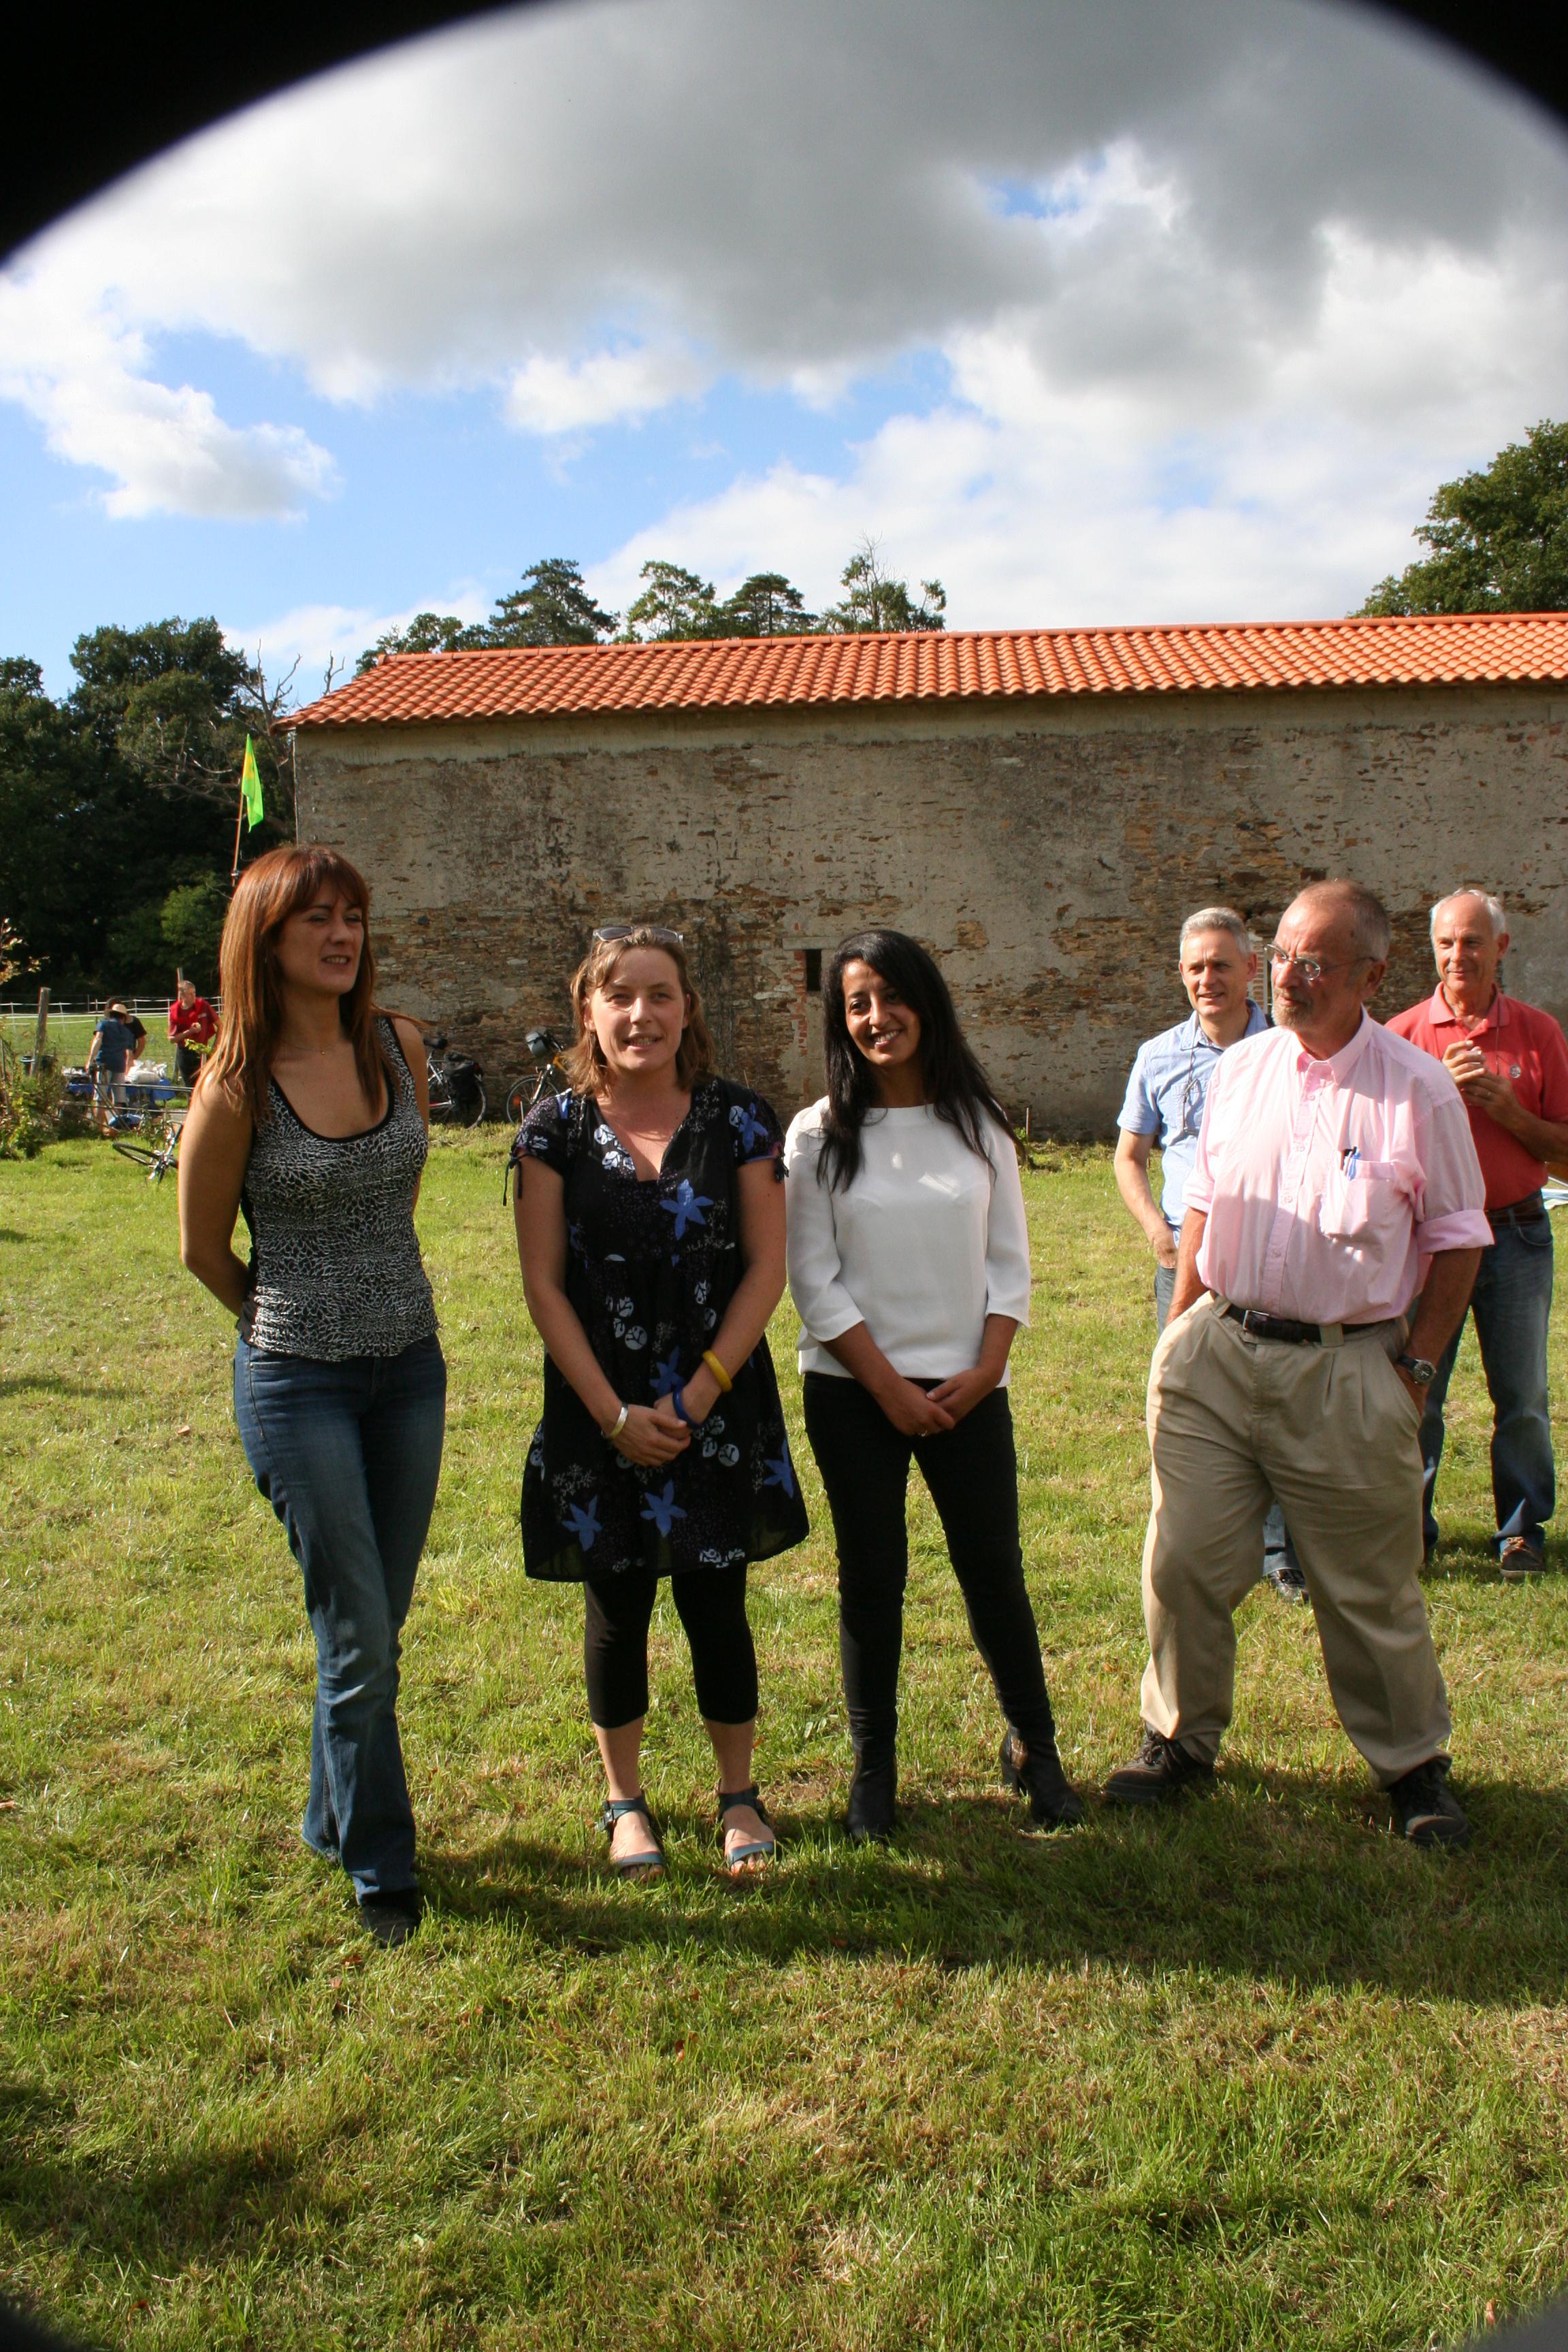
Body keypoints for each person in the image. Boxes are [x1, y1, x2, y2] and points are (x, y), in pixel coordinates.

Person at [1105, 880, 1490, 1847]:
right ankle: (1180, 1739)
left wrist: (1415, 1372)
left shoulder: (1418, 1088)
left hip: (1346, 1367)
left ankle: (1412, 1766)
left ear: (1371, 973)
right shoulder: (1241, 1072)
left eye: (1315, 962)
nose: (1289, 977)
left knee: (1366, 1584)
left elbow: (1459, 1238)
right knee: (1183, 1556)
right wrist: (1181, 1326)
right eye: (1281, 955)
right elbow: (1205, 1204)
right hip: (1219, 1353)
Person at [177, 845, 444, 1949]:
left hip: (409, 1373)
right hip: (298, 1384)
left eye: (351, 915)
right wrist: (286, 1324)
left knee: (375, 1621)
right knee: (359, 1637)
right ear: (265, 939)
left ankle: (326, 1815)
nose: (339, 935)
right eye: (313, 920)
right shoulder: (235, 1082)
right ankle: (381, 1861)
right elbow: (200, 1249)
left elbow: (405, 1185)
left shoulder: (396, 1045)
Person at [513, 924, 807, 1880]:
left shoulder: (742, 1121)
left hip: (714, 1403)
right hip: (598, 1411)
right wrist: (612, 1415)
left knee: (719, 1606)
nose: (642, 1015)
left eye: (662, 995)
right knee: (617, 1606)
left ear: (689, 1009)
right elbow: (545, 1286)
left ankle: (738, 1796)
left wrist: (697, 1392)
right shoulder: (551, 1130)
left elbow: (769, 1268)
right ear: (588, 1013)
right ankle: (625, 1802)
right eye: (622, 997)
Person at [784, 928, 1082, 1842]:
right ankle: (875, 1772)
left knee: (995, 1571)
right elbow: (814, 1280)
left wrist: (986, 1367)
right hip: (852, 1390)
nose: (878, 1018)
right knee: (873, 1580)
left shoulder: (978, 1123)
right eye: (858, 1004)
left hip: (967, 1389)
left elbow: (1009, 1264)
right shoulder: (817, 1134)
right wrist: (888, 1390)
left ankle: (1037, 1749)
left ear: (928, 1000)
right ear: (841, 1021)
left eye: (891, 996)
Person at [1114, 906, 1305, 1603]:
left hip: (1269, 1257)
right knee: (1188, 1397)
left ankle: (1280, 1551)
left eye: (1221, 964)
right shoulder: (1159, 1056)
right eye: (1195, 967)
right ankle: (1198, 1539)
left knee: (1278, 1398)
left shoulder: (1292, 1050)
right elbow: (1129, 1156)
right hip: (1184, 1261)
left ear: (1253, 968)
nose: (1207, 979)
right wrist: (1158, 1236)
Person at [1386, 889, 1568, 1579]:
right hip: (1429, 1241)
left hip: (1516, 1234)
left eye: (1471, 942)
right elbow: (1375, 1145)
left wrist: (1510, 1113)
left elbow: (1565, 1153)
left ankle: (1522, 1531)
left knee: (1521, 1393)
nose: (1458, 956)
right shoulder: (1403, 1035)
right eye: (1446, 944)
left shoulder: (1538, 1033)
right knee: (1416, 1384)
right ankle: (1409, 1527)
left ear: (1501, 948)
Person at [85, 998, 136, 1129]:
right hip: (119, 1066)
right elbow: (130, 1054)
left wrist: (90, 1061)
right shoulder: (128, 1032)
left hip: (103, 1065)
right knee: (119, 1099)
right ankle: (117, 1127)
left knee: (100, 1098)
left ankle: (99, 1128)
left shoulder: (104, 1024)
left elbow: (98, 1040)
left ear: (111, 1015)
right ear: (123, 1018)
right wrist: (128, 1070)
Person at [169, 975, 218, 1086]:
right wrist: (189, 1032)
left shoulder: (203, 1006)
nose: (193, 996)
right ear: (182, 995)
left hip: (201, 1051)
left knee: (204, 1085)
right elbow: (172, 1039)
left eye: (194, 993)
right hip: (184, 1052)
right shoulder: (175, 1011)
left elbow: (221, 1025)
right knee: (190, 1088)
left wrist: (215, 1047)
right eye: (190, 994)